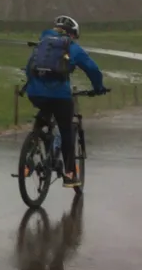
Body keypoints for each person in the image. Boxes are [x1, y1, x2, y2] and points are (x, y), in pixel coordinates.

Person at [24, 15, 107, 187]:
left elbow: (28, 68)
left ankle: (30, 155)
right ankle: (70, 173)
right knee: (66, 129)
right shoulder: (71, 47)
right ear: (72, 34)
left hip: (35, 93)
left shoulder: (42, 44)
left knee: (44, 114)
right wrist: (98, 87)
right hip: (59, 96)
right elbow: (92, 68)